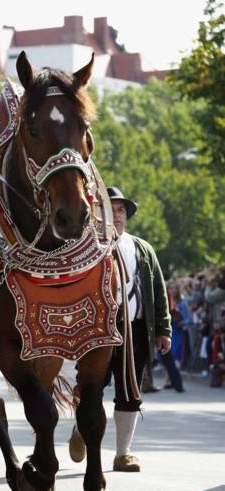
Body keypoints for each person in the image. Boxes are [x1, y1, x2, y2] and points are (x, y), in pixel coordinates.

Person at [69, 187, 172, 472]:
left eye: (121, 210)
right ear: (97, 212)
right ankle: (81, 431)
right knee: (90, 389)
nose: (116, 215)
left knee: (130, 391)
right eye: (110, 208)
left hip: (135, 330)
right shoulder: (86, 246)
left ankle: (123, 453)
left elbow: (157, 293)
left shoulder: (142, 248)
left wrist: (164, 330)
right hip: (97, 329)